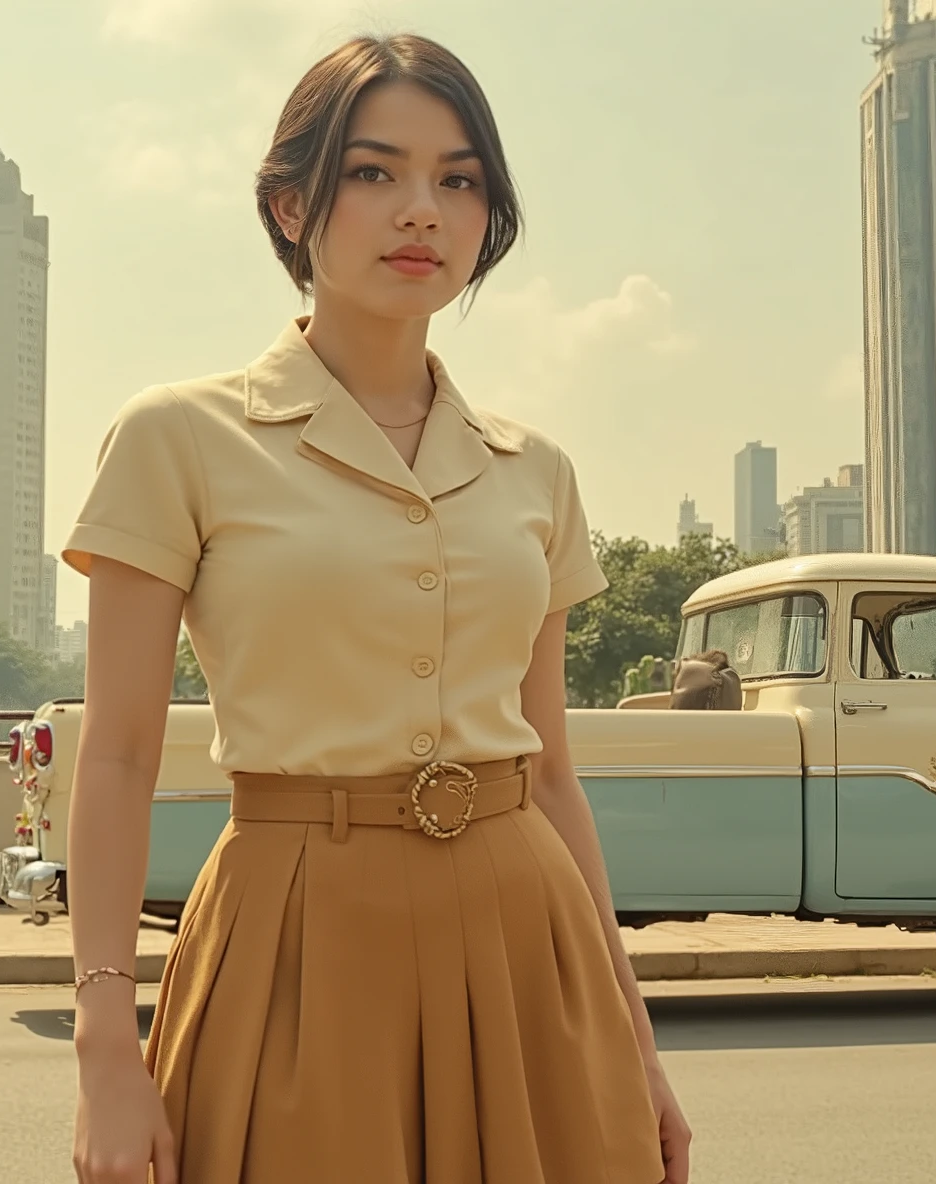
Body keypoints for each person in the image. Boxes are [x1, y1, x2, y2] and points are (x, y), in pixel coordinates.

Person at [63, 33, 691, 1184]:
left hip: (527, 940)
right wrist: (107, 1044)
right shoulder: (179, 437)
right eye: (374, 172)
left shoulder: (532, 468)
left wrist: (635, 1037)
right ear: (290, 204)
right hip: (295, 934)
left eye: (458, 180)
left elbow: (551, 770)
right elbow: (115, 755)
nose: (421, 211)